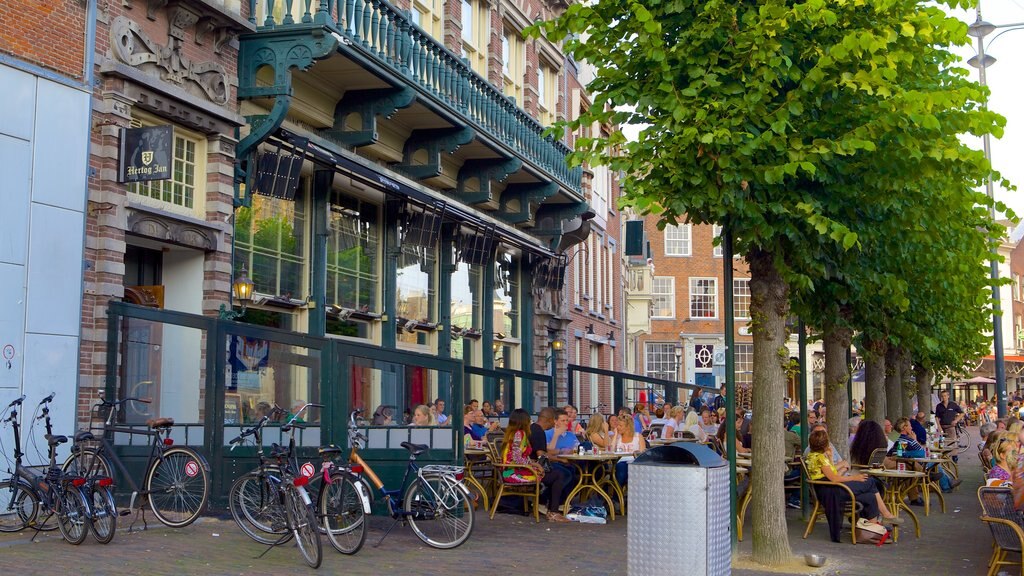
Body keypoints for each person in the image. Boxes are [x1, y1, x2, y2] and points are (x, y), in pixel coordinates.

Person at [806, 428, 903, 528]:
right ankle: (886, 515)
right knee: (870, 482)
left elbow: (831, 473)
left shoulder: (815, 456)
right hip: (833, 491)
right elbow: (834, 478)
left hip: (831, 489)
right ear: (825, 444)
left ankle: (873, 530)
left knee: (870, 496)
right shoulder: (820, 458)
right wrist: (854, 478)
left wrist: (830, 457)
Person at [529, 407, 572, 522]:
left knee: (565, 471)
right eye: (553, 421)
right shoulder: (539, 432)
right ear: (548, 420)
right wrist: (559, 460)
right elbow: (541, 455)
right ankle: (553, 510)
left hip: (530, 466)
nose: (553, 424)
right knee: (560, 474)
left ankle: (551, 504)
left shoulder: (533, 428)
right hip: (533, 469)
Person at [499, 409, 544, 485]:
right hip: (511, 473)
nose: (530, 422)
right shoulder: (519, 434)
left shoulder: (513, 433)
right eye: (529, 420)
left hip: (511, 469)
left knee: (541, 472)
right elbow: (516, 458)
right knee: (541, 474)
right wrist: (534, 464)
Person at [611, 413, 646, 486]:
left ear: (628, 427)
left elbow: (642, 453)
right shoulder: (617, 437)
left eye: (620, 425)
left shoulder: (638, 436)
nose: (618, 427)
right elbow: (611, 450)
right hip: (621, 462)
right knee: (621, 467)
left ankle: (621, 493)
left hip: (634, 462)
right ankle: (618, 493)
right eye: (617, 425)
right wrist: (615, 435)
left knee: (630, 468)